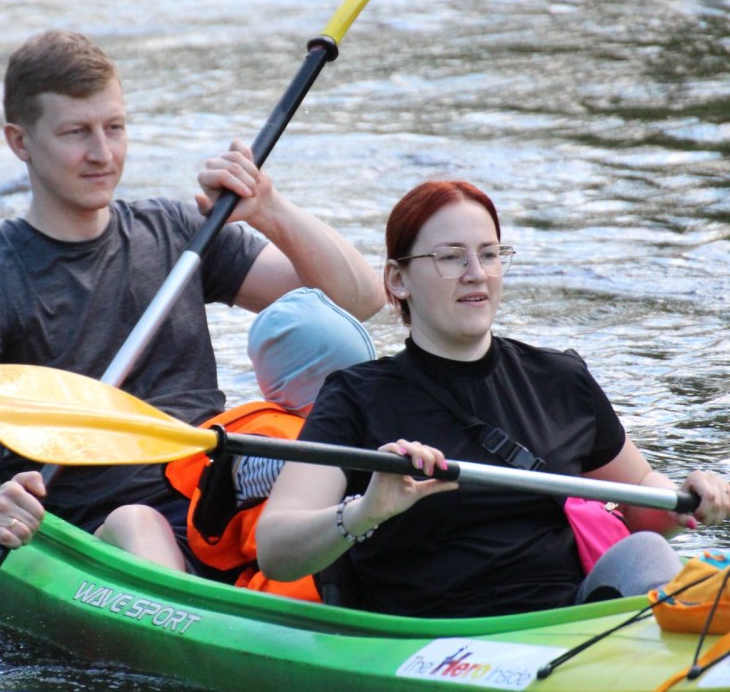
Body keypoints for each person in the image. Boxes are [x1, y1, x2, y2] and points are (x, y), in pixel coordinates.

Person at [0, 29, 384, 571]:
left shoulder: (179, 234)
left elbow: (361, 299)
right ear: (20, 142)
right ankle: (200, 637)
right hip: (105, 526)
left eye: (115, 127)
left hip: (213, 495)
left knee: (343, 469)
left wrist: (272, 209)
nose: (102, 154)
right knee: (139, 521)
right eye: (76, 132)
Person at [256, 180, 730, 617]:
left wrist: (685, 500)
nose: (476, 274)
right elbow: (275, 550)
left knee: (647, 552)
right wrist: (367, 510)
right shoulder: (357, 397)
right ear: (398, 281)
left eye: (489, 254)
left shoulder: (561, 379)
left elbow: (641, 499)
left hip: (570, 624)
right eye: (451, 258)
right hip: (433, 640)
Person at [165, 287, 376, 599]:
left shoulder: (351, 429)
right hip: (283, 595)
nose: (369, 395)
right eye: (358, 383)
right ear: (320, 389)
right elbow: (310, 478)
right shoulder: (261, 453)